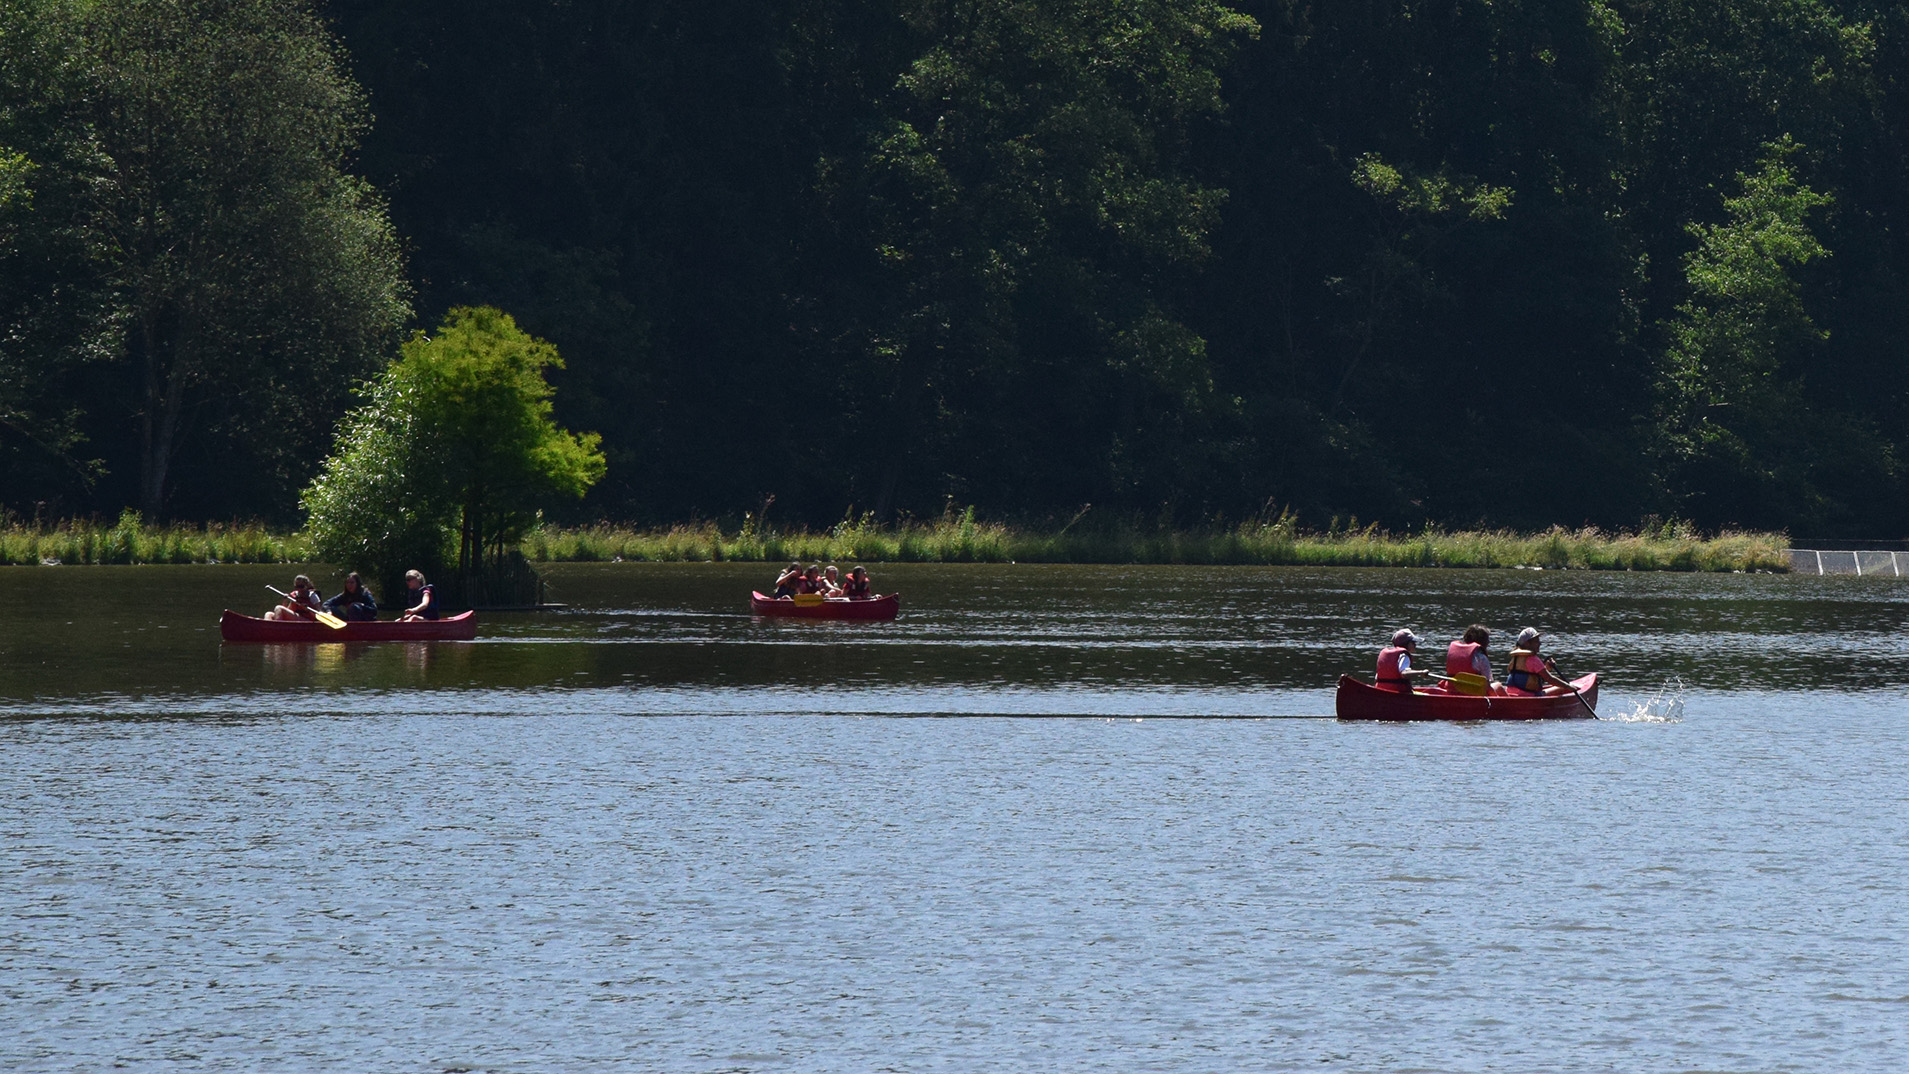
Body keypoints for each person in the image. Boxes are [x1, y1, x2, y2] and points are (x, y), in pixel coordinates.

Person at [1505, 627, 1570, 694]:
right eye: (1536, 641)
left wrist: (1547, 668)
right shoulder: (1534, 659)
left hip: (1510, 692)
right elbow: (1550, 679)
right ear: (1527, 643)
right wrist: (1568, 686)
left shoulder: (1516, 658)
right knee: (1562, 687)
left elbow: (1530, 678)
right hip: (1528, 695)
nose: (1539, 643)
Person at [1445, 624, 1505, 694]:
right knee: (1498, 685)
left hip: (1453, 690)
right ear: (1484, 642)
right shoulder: (1481, 657)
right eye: (1488, 639)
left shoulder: (1454, 654)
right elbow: (1488, 685)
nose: (1489, 642)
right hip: (1474, 693)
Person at [1375, 628, 1426, 693]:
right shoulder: (1404, 655)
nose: (1415, 645)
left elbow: (1376, 677)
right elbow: (1404, 673)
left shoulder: (1386, 654)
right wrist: (1421, 672)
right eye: (1413, 642)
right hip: (1399, 693)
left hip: (1381, 691)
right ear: (1406, 643)